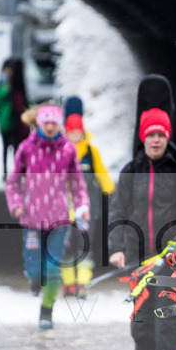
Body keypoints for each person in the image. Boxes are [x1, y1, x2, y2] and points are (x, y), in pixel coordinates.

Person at [108, 108, 176, 350]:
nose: (156, 140)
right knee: (142, 321)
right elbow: (118, 211)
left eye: (161, 134)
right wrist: (117, 248)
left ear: (167, 137)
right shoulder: (130, 171)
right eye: (151, 134)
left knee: (168, 317)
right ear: (143, 137)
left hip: (171, 259)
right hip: (137, 258)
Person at [5, 104, 90, 330]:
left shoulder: (68, 150)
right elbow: (13, 181)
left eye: (54, 123)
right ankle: (34, 278)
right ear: (39, 124)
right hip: (31, 219)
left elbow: (78, 184)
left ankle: (47, 310)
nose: (51, 127)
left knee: (52, 269)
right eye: (47, 123)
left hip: (58, 220)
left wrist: (82, 207)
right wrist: (16, 205)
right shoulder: (26, 148)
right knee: (34, 266)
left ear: (59, 124)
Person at [60, 111, 115, 299]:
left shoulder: (92, 151)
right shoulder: (61, 151)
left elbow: (102, 173)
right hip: (64, 210)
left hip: (88, 211)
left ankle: (82, 283)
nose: (75, 135)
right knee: (65, 247)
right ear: (66, 133)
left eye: (78, 131)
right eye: (71, 132)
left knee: (85, 247)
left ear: (82, 132)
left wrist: (111, 192)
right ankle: (68, 284)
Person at [0, 57, 30, 181]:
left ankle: (12, 172)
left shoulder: (6, 89)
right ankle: (10, 172)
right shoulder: (6, 90)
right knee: (11, 149)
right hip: (9, 124)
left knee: (11, 150)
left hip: (10, 124)